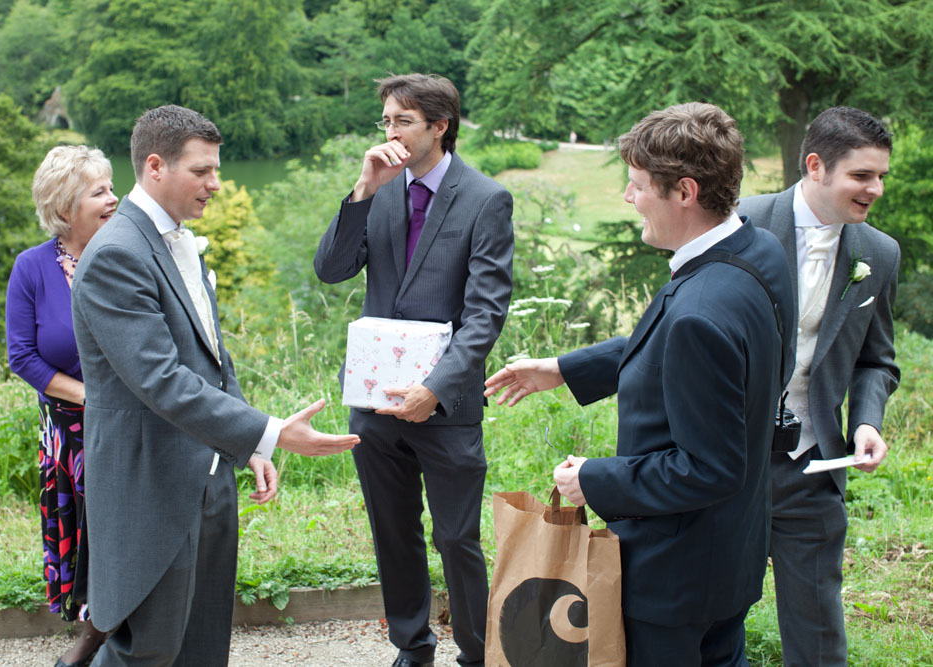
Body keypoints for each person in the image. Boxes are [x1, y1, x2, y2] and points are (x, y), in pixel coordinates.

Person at [485, 102, 796, 666]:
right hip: (731, 553)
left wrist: (593, 481)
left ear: (685, 192)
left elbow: (708, 467)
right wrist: (564, 369)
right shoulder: (757, 251)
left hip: (673, 579)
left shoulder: (700, 309)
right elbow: (699, 353)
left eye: (636, 186)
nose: (628, 198)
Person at [71, 105, 359, 666]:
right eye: (202, 171)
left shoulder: (180, 243)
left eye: (216, 170)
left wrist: (248, 444)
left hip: (208, 480)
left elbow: (212, 361)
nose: (216, 184)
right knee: (145, 651)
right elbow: (162, 381)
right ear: (155, 167)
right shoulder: (116, 255)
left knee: (202, 648)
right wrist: (272, 432)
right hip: (150, 487)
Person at [314, 73, 514, 667]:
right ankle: (412, 646)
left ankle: (478, 654)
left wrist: (435, 388)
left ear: (439, 126)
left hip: (446, 405)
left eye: (402, 121)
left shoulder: (486, 199)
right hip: (375, 403)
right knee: (393, 533)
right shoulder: (378, 190)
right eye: (386, 121)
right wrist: (362, 189)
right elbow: (331, 270)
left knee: (456, 538)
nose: (390, 132)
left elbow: (485, 314)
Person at [737, 106, 900, 666]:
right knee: (705, 613)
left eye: (881, 176)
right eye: (862, 175)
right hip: (727, 458)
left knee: (820, 631)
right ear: (815, 166)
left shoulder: (878, 254)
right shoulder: (741, 222)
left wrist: (867, 421)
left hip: (814, 464)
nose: (875, 188)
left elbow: (876, 360)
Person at [6, 145, 117, 667]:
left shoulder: (124, 256)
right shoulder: (31, 268)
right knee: (88, 537)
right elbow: (22, 356)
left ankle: (97, 639)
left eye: (112, 187)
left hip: (127, 425)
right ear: (66, 205)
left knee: (118, 533)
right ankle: (98, 628)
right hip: (68, 434)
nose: (114, 199)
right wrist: (88, 396)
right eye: (99, 191)